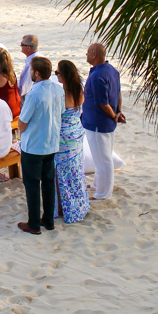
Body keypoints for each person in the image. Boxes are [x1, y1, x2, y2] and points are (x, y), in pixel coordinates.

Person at [17, 56, 64, 234]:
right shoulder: (58, 90)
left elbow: (23, 121)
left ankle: (34, 223)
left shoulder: (35, 94)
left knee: (32, 184)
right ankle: (48, 220)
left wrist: (23, 133)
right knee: (48, 182)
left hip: (34, 144)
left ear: (36, 73)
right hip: (51, 142)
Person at [83, 42, 126, 200]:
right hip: (104, 122)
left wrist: (114, 115)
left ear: (94, 54)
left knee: (103, 160)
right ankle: (96, 185)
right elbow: (118, 94)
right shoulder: (111, 70)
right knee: (100, 157)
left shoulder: (98, 76)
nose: (86, 55)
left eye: (88, 52)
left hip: (97, 123)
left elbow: (103, 103)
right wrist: (118, 112)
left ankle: (103, 194)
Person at [55, 59, 91, 223]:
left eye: (57, 73)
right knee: (75, 171)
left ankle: (64, 207)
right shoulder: (79, 90)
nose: (56, 76)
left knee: (62, 173)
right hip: (77, 131)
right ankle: (79, 203)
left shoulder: (63, 95)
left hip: (64, 136)